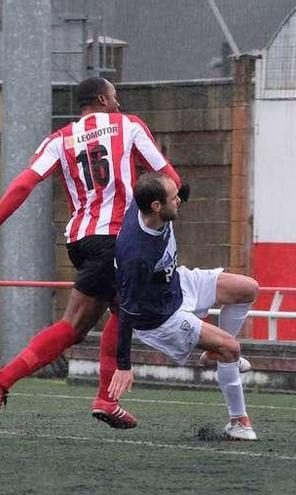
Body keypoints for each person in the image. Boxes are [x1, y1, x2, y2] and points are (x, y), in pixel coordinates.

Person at [0, 76, 183, 429]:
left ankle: (103, 399)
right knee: (87, 322)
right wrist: (178, 196)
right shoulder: (127, 125)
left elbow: (25, 182)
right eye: (114, 97)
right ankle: (97, 396)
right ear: (102, 99)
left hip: (81, 240)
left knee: (105, 315)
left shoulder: (59, 139)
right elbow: (166, 174)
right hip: (118, 239)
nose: (118, 103)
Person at [108, 173, 259, 441]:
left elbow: (166, 187)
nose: (179, 199)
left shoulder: (145, 203)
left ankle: (215, 355)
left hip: (177, 283)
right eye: (173, 197)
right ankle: (238, 422)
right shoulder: (137, 254)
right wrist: (123, 365)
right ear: (156, 206)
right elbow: (127, 311)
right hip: (159, 317)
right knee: (231, 348)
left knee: (248, 288)